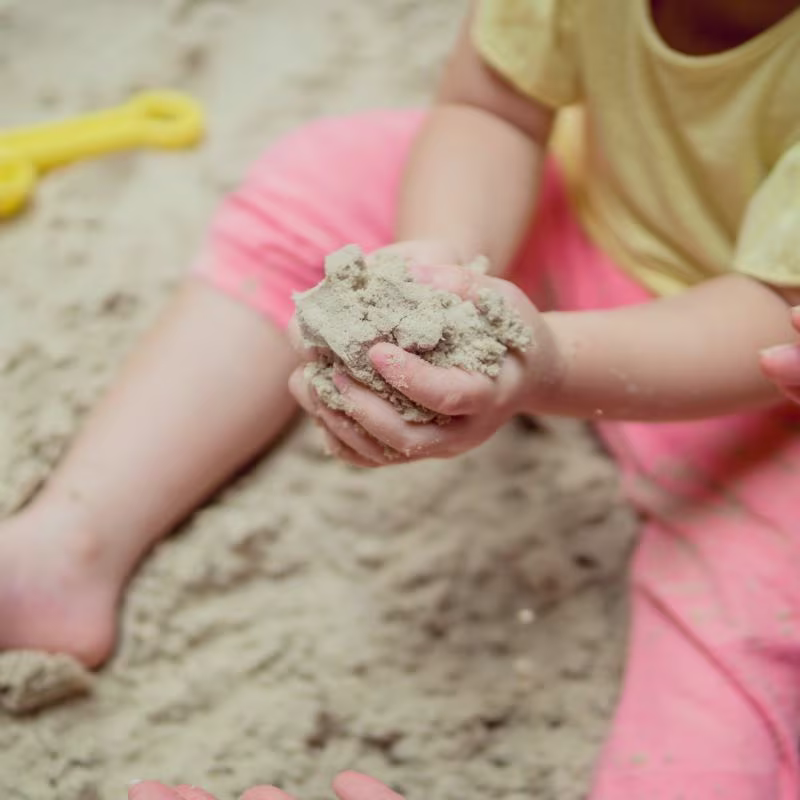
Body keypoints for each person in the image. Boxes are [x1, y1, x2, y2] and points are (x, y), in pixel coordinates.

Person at [3, 0, 800, 795]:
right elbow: (491, 110)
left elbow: (770, 311)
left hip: (760, 383)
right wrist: (439, 272)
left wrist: (546, 362)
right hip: (596, 220)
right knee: (330, 177)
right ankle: (72, 538)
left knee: (763, 600)